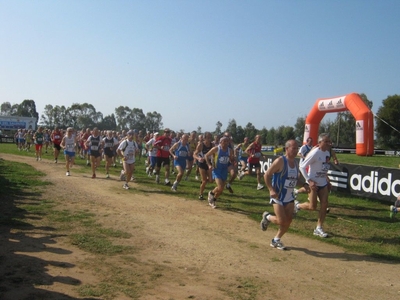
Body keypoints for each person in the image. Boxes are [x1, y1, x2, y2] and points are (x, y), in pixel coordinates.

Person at [260, 139, 300, 250]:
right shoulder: (280, 161)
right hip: (277, 196)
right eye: (294, 148)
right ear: (287, 149)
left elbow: (297, 179)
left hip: (289, 196)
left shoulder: (296, 163)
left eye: (297, 148)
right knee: (281, 221)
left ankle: (276, 240)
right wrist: (270, 190)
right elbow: (266, 175)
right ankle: (267, 217)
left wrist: (306, 185)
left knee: (289, 220)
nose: (296, 150)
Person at [296, 133, 332, 238]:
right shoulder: (315, 153)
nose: (329, 143)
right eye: (326, 141)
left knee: (324, 204)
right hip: (313, 183)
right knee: (312, 207)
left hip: (323, 183)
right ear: (320, 142)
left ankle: (319, 228)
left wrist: (327, 180)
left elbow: (324, 168)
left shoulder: (327, 153)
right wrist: (309, 181)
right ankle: (297, 206)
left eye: (329, 141)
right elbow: (302, 166)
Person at [204, 136, 235, 209]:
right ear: (220, 142)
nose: (226, 143)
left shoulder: (229, 150)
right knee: (220, 187)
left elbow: (231, 159)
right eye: (224, 141)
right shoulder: (216, 149)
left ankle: (213, 200)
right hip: (216, 170)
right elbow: (206, 155)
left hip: (224, 170)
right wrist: (209, 165)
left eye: (227, 141)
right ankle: (211, 193)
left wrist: (233, 160)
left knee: (220, 191)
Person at [193, 132, 214, 200]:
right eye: (208, 138)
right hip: (201, 163)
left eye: (210, 137)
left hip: (209, 163)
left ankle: (202, 183)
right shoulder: (201, 145)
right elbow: (194, 154)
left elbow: (214, 154)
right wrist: (199, 158)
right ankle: (201, 194)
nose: (209, 139)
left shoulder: (212, 145)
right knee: (204, 181)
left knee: (211, 180)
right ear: (204, 138)